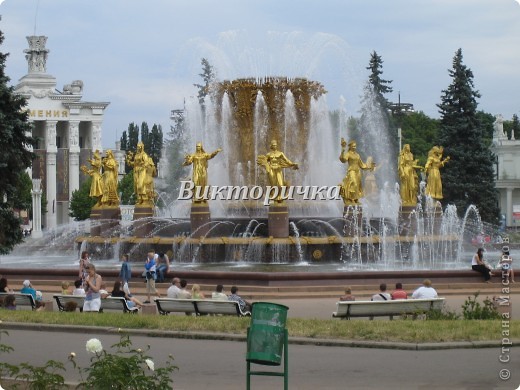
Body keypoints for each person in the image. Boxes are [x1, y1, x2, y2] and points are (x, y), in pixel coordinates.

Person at [338, 139, 375, 205]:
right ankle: (351, 199)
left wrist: (369, 167)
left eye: (355, 146)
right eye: (353, 146)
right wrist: (343, 150)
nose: (354, 147)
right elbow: (343, 160)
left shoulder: (357, 155)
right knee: (353, 184)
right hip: (351, 171)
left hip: (358, 172)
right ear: (350, 146)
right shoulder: (348, 154)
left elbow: (362, 165)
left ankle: (355, 199)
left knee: (357, 186)